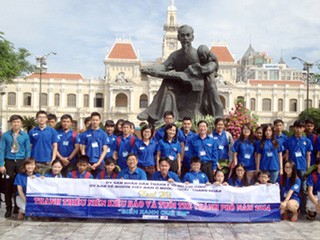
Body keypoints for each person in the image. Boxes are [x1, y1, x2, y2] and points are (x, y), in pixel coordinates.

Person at [138, 25, 216, 123]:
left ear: (192, 37)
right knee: (167, 83)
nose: (185, 38)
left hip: (196, 88)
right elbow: (163, 67)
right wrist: (151, 69)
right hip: (180, 86)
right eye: (182, 36)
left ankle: (152, 112)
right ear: (178, 38)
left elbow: (213, 64)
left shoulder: (198, 54)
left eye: (188, 35)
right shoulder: (175, 55)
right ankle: (164, 117)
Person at [0, 114, 31, 218]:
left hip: (21, 162)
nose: (16, 124)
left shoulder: (25, 136)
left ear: (21, 123)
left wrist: (27, 164)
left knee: (19, 185)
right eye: (14, 122)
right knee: (8, 185)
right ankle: (8, 208)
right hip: (9, 161)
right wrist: (1, 164)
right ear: (11, 123)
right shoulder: (5, 135)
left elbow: (27, 150)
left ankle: (17, 208)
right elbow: (1, 150)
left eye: (18, 121)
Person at [80, 112, 108, 177]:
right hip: (88, 162)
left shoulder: (103, 134)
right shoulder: (85, 133)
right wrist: (86, 162)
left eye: (96, 120)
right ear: (91, 120)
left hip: (100, 163)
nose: (95, 122)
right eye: (93, 120)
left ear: (99, 121)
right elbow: (83, 149)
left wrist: (98, 163)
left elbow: (105, 150)